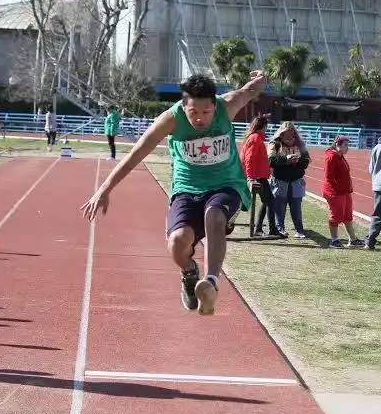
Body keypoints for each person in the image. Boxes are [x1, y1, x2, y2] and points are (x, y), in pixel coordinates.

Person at [81, 71, 266, 315]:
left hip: (226, 184)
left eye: (206, 112)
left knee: (214, 215)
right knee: (177, 242)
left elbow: (251, 90)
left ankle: (211, 283)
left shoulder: (228, 105)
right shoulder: (170, 119)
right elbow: (137, 152)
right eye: (193, 113)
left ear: (215, 104)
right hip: (187, 188)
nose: (200, 119)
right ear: (184, 106)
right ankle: (190, 274)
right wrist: (105, 189)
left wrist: (262, 78)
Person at [268, 121, 310, 239]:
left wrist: (298, 160)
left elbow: (306, 160)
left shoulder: (300, 144)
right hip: (280, 179)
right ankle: (280, 228)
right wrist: (286, 159)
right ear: (282, 132)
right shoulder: (275, 143)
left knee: (296, 205)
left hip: (296, 180)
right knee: (279, 206)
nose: (290, 133)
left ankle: (299, 230)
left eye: (292, 130)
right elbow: (270, 159)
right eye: (287, 131)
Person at [240, 114, 278, 236]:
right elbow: (249, 158)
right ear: (263, 127)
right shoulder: (255, 138)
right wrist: (251, 177)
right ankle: (269, 229)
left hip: (259, 175)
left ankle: (260, 229)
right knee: (270, 201)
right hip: (257, 176)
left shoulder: (255, 138)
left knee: (268, 201)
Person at [323, 134, 362, 248]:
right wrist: (337, 188)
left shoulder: (340, 155)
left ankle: (353, 240)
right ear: (337, 145)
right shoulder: (331, 157)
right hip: (335, 192)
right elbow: (329, 177)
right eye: (345, 145)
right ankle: (334, 240)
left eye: (347, 145)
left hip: (344, 191)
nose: (347, 148)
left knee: (347, 215)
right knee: (335, 215)